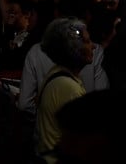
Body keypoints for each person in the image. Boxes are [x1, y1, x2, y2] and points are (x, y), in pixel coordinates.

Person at [34, 17, 95, 163]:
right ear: (73, 49)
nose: (93, 46)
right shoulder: (67, 86)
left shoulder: (58, 73)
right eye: (87, 41)